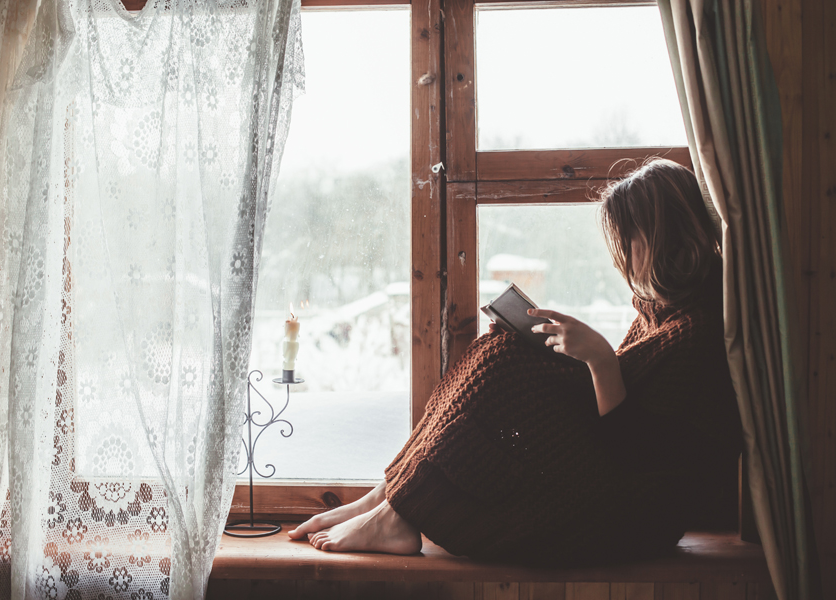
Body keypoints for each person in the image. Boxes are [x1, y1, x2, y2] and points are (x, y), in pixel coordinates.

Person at [287, 159, 743, 562]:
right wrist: (579, 357)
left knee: (503, 364)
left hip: (632, 519)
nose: (621, 256)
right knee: (497, 349)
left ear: (665, 239)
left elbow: (639, 454)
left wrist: (599, 359)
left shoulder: (696, 332)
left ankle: (395, 510)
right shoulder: (662, 314)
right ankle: (387, 499)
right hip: (614, 491)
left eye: (629, 239)